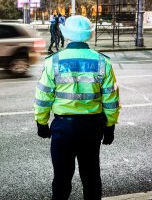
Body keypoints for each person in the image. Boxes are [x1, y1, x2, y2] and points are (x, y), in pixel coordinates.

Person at [34, 15, 120, 200]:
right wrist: (110, 126)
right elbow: (111, 99)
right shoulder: (102, 62)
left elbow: (43, 96)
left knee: (62, 178)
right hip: (91, 128)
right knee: (91, 177)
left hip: (63, 128)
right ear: (89, 34)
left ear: (67, 34)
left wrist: (41, 123)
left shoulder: (54, 61)